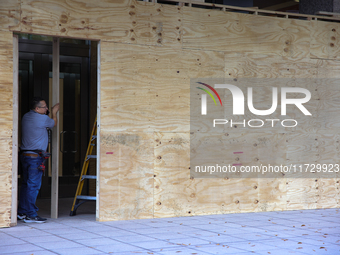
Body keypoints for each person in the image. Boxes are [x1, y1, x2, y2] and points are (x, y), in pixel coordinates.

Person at [17, 97, 59, 223]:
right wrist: (54, 112)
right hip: (35, 158)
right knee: (33, 186)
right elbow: (54, 123)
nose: (47, 108)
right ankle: (31, 214)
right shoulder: (42, 118)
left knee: (26, 184)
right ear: (37, 108)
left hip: (25, 156)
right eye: (45, 107)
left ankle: (22, 212)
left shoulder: (26, 116)